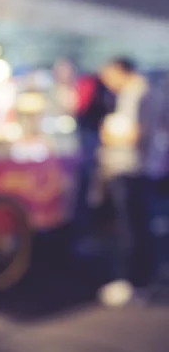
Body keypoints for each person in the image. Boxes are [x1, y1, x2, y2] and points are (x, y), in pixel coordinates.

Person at [98, 57, 153, 305]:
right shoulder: (145, 90)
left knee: (130, 227)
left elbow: (132, 134)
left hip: (129, 167)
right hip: (141, 168)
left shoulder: (135, 93)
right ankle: (141, 281)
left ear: (120, 70)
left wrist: (108, 134)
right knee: (139, 225)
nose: (109, 83)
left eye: (109, 76)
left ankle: (133, 283)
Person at [72, 66, 116, 252]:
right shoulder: (101, 88)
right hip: (93, 139)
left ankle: (87, 226)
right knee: (91, 184)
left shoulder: (90, 85)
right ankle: (91, 224)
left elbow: (79, 109)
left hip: (89, 140)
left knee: (88, 184)